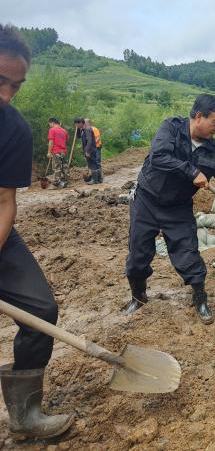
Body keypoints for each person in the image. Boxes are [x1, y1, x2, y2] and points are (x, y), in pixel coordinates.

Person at [124, 94, 215, 324]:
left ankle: (200, 299)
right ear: (198, 116)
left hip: (178, 207)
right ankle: (138, 298)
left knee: (188, 254)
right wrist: (192, 172)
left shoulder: (214, 152)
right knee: (138, 255)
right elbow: (159, 157)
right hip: (147, 200)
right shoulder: (171, 128)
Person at [0, 24, 73, 438]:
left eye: (17, 85)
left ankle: (25, 414)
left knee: (40, 309)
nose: (7, 94)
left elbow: (4, 201)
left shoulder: (13, 129)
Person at [75, 117, 100, 184]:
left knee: (93, 164)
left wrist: (87, 151)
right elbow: (79, 136)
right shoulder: (83, 130)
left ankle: (95, 180)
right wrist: (77, 129)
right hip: (90, 149)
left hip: (90, 150)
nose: (76, 125)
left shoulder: (87, 129)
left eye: (76, 124)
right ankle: (99, 179)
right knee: (93, 164)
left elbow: (90, 141)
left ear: (80, 123)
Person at [46, 117, 69, 188]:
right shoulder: (64, 131)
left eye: (49, 124)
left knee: (57, 167)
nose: (49, 125)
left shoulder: (52, 130)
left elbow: (51, 142)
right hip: (64, 152)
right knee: (65, 167)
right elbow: (67, 140)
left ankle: (57, 183)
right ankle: (66, 181)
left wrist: (49, 152)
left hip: (56, 151)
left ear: (52, 122)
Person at [84, 118, 103, 182]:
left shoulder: (94, 129)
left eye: (85, 123)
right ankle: (94, 177)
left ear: (88, 123)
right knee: (93, 163)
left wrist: (92, 145)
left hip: (96, 147)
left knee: (97, 162)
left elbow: (97, 138)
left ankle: (99, 178)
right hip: (93, 147)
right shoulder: (87, 130)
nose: (84, 124)